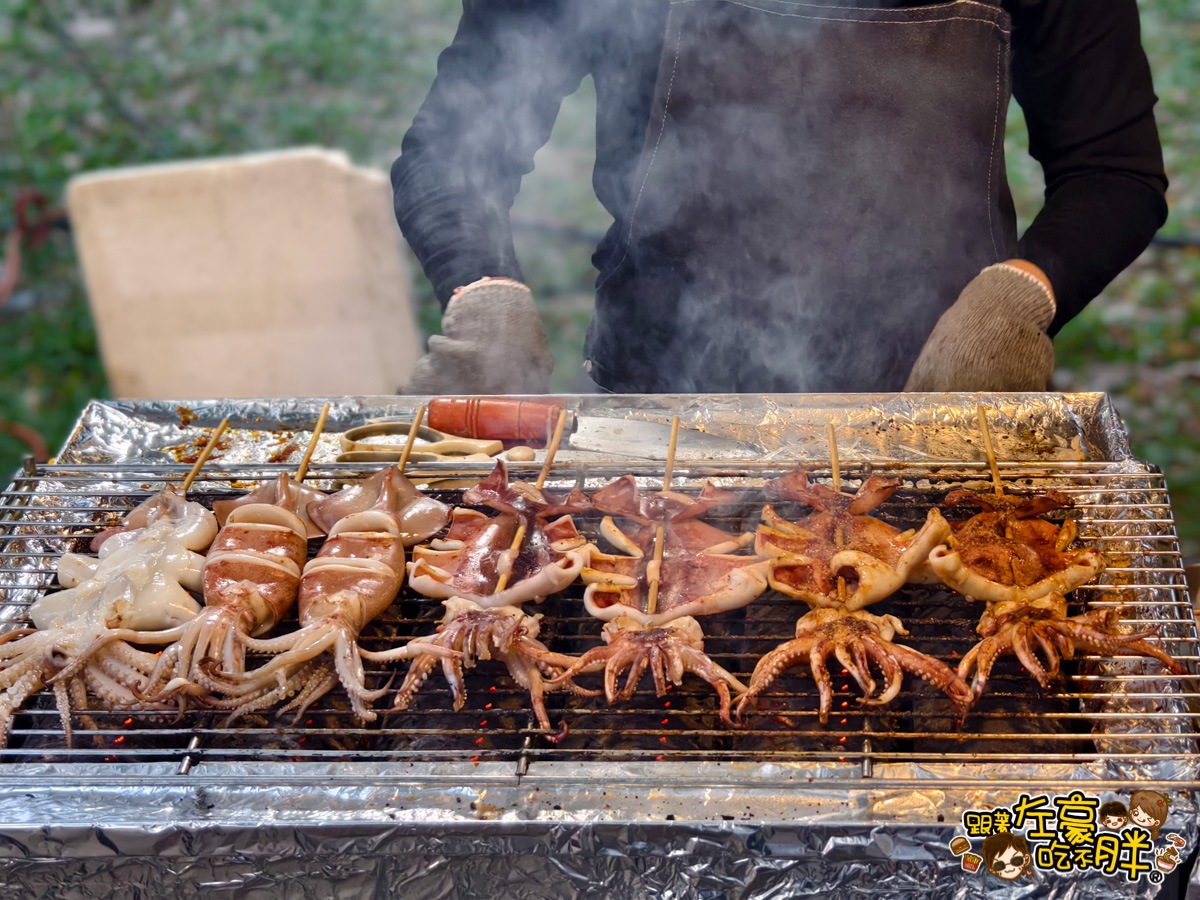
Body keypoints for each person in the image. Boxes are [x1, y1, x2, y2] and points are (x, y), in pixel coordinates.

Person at [394, 1, 1166, 395]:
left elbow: (1112, 169)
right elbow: (453, 150)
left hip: (936, 398)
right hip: (660, 401)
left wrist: (1018, 297)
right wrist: (485, 291)